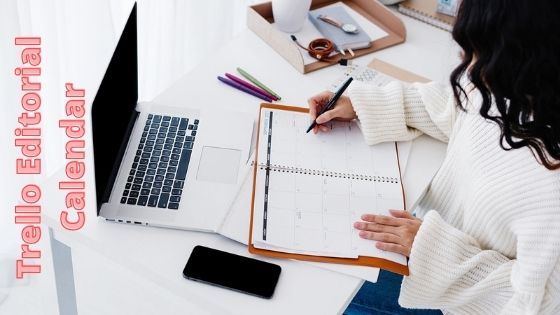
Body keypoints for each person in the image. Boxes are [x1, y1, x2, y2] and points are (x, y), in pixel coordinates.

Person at [307, 0, 560, 313]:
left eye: (479, 51)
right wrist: (365, 105)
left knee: (315, 288)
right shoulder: (507, 85)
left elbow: (535, 305)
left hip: (450, 292)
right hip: (423, 242)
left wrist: (431, 250)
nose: (466, 64)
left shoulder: (551, 194)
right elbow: (459, 108)